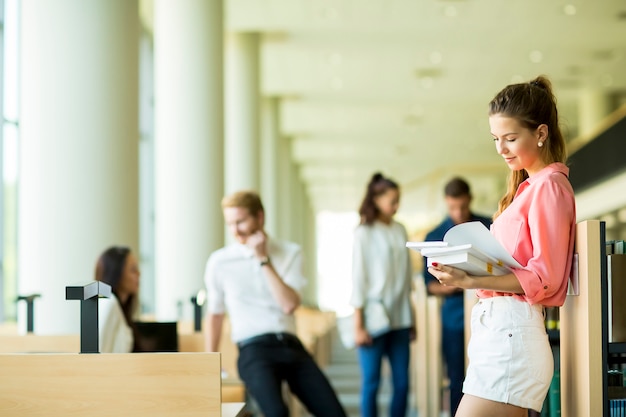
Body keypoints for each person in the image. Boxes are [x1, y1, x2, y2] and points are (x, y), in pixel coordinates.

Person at [428, 75, 576, 417]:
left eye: (510, 138)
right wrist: (462, 267)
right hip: (496, 337)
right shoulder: (527, 189)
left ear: (540, 133)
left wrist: (471, 280)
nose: (501, 148)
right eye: (496, 138)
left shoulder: (549, 187)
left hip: (513, 340)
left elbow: (545, 278)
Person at [204, 190, 347, 417]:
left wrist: (263, 259)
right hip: (253, 350)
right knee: (277, 413)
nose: (235, 230)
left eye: (241, 221)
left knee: (334, 412)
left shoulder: (290, 253)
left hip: (290, 345)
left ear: (259, 217)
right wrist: (209, 363)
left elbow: (288, 304)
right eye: (230, 223)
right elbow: (215, 314)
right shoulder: (219, 262)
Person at [422, 177, 491, 416]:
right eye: (453, 208)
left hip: (489, 311)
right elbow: (428, 285)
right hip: (454, 317)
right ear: (446, 203)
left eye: (462, 206)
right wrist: (451, 285)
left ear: (470, 200)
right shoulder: (434, 235)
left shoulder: (489, 226)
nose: (458, 212)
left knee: (489, 375)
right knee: (457, 376)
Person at [350, 173, 415, 417]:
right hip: (372, 319)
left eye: (399, 200)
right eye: (392, 200)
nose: (396, 206)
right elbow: (359, 280)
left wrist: (413, 318)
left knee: (402, 383)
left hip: (400, 318)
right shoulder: (364, 232)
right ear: (376, 199)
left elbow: (407, 279)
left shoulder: (400, 230)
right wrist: (358, 325)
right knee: (372, 383)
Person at [95, 246, 142, 353]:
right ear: (117, 273)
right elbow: (99, 353)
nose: (139, 274)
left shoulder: (119, 307)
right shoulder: (109, 302)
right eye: (133, 270)